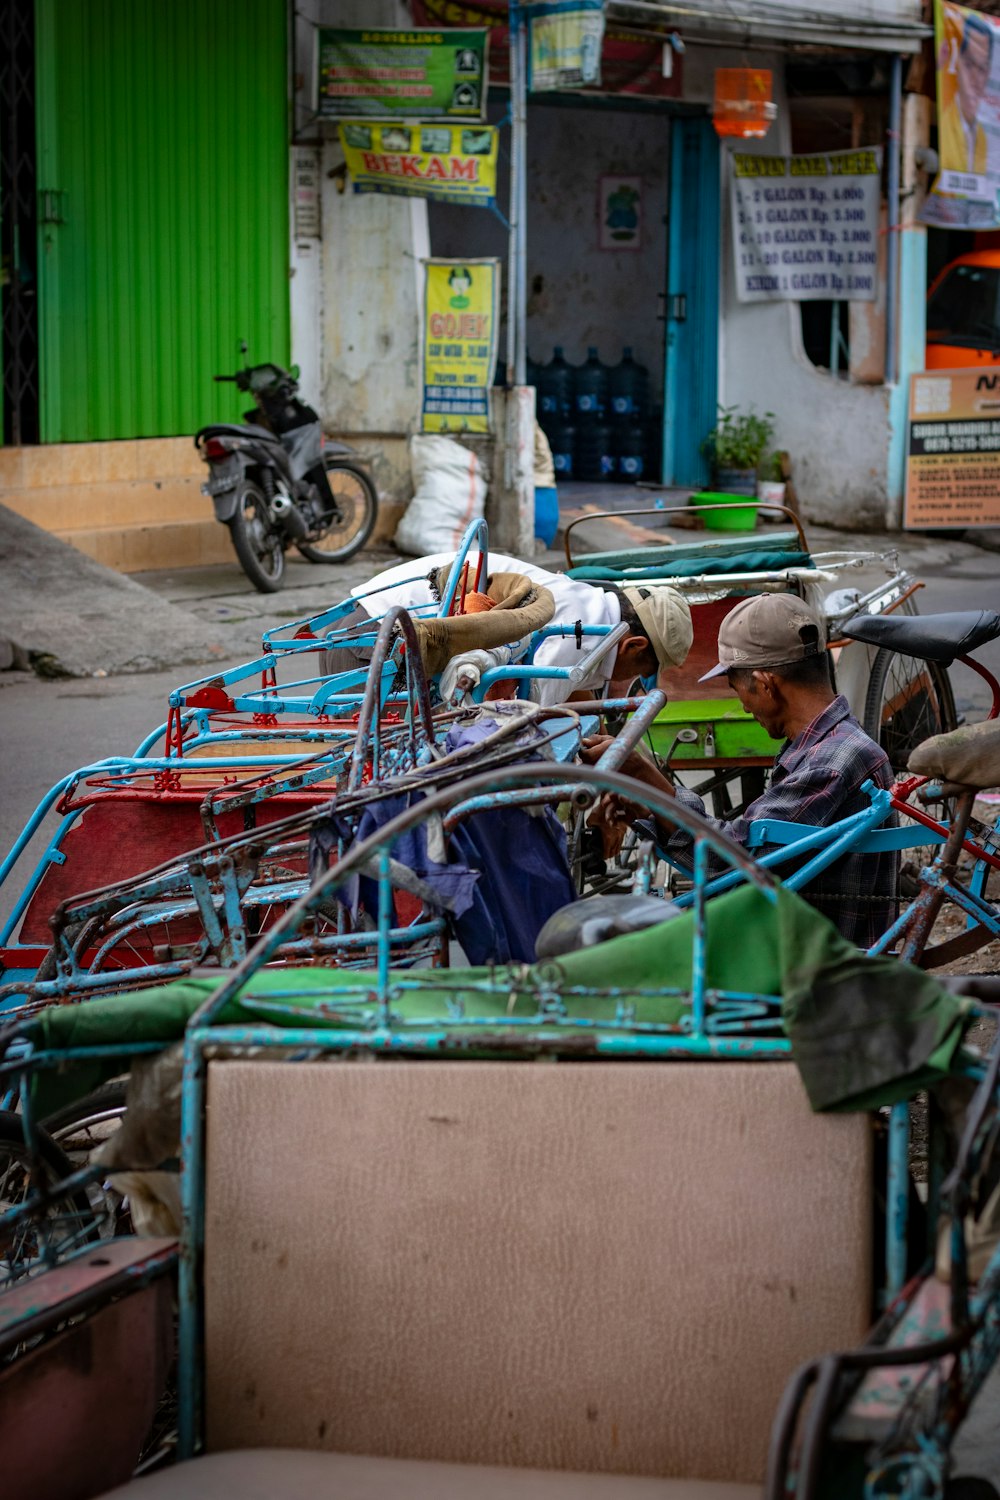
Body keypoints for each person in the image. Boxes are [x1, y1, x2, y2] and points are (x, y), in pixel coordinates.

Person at [580, 593, 898, 948]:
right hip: (792, 937)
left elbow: (725, 863)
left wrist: (646, 777)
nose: (744, 707)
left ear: (765, 683)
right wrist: (651, 804)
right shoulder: (828, 745)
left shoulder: (833, 763)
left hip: (807, 966)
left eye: (737, 690)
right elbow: (743, 851)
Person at [322, 548, 692, 709]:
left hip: (367, 625)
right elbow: (529, 723)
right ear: (634, 646)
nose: (629, 682)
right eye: (640, 674)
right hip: (374, 640)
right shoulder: (581, 633)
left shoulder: (589, 607)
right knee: (379, 778)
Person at [939, 12, 993, 175]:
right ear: (958, 62)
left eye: (982, 69)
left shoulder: (983, 136)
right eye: (969, 65)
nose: (975, 80)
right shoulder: (946, 122)